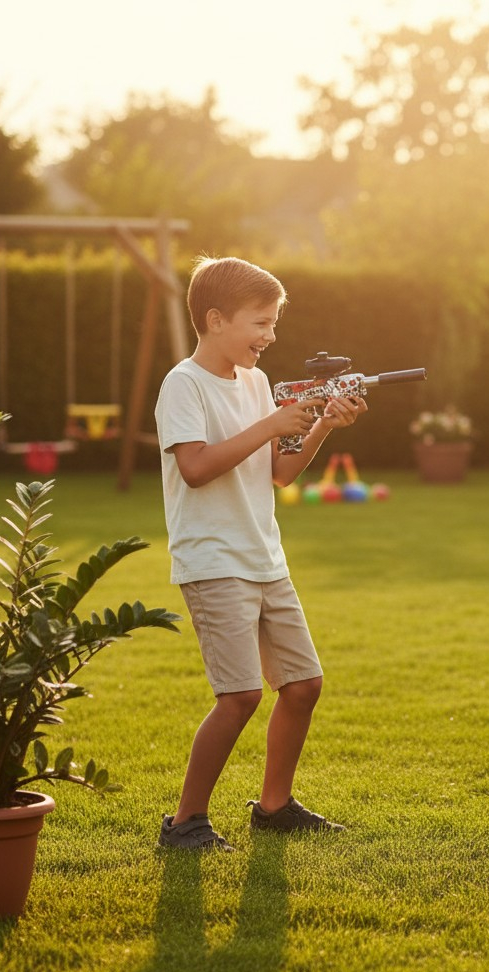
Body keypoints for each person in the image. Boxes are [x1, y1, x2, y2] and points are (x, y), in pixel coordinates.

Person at [155, 255, 367, 851]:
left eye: (273, 324)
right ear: (215, 319)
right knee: (242, 695)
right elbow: (195, 468)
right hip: (214, 560)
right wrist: (272, 424)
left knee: (302, 684)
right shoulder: (184, 384)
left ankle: (274, 807)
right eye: (260, 323)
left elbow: (280, 473)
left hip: (265, 557)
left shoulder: (255, 384)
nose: (270, 336)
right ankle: (185, 822)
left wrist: (321, 425)